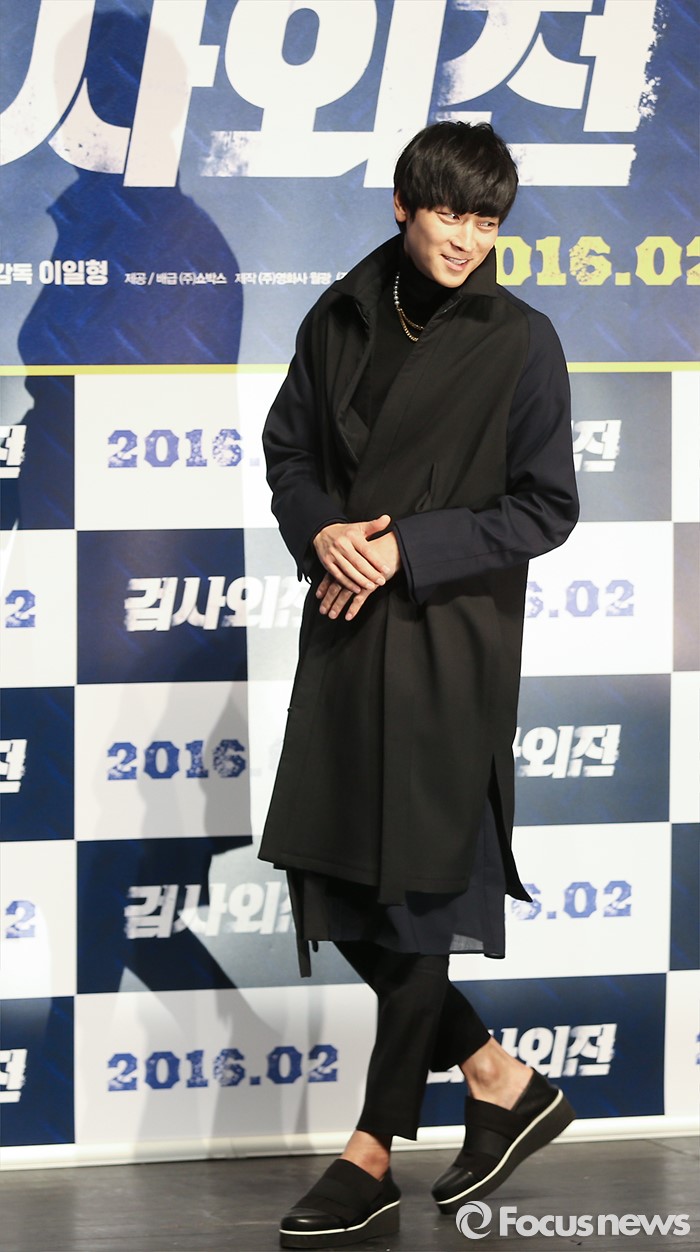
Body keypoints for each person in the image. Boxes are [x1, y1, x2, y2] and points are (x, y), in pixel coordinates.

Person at [259, 121, 579, 1248]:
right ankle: (496, 1074)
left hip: (449, 645)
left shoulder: (520, 338)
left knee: (424, 899)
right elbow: (289, 453)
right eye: (449, 213)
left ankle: (371, 1150)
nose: (466, 239)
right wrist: (321, 530)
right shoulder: (339, 313)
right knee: (329, 876)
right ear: (404, 206)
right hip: (345, 634)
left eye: (487, 221)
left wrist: (409, 547)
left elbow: (547, 506)